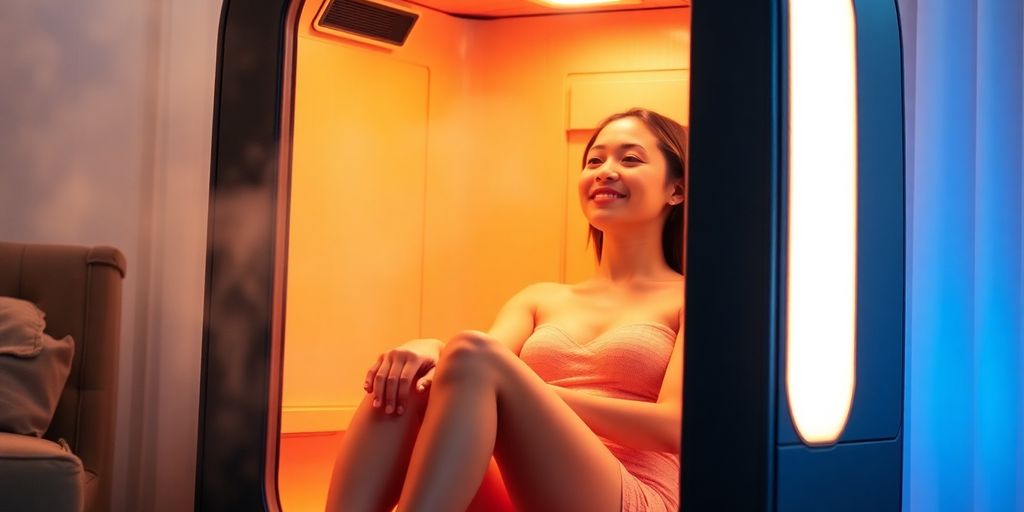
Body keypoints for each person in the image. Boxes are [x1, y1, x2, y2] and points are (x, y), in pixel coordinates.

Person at [325, 108, 686, 512]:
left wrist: (540, 396)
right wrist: (431, 349)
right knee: (410, 378)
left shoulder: (690, 302)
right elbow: (465, 375)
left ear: (676, 190)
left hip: (632, 494)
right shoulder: (538, 300)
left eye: (630, 159)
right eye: (594, 161)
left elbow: (674, 426)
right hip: (523, 494)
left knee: (474, 356)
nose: (605, 172)